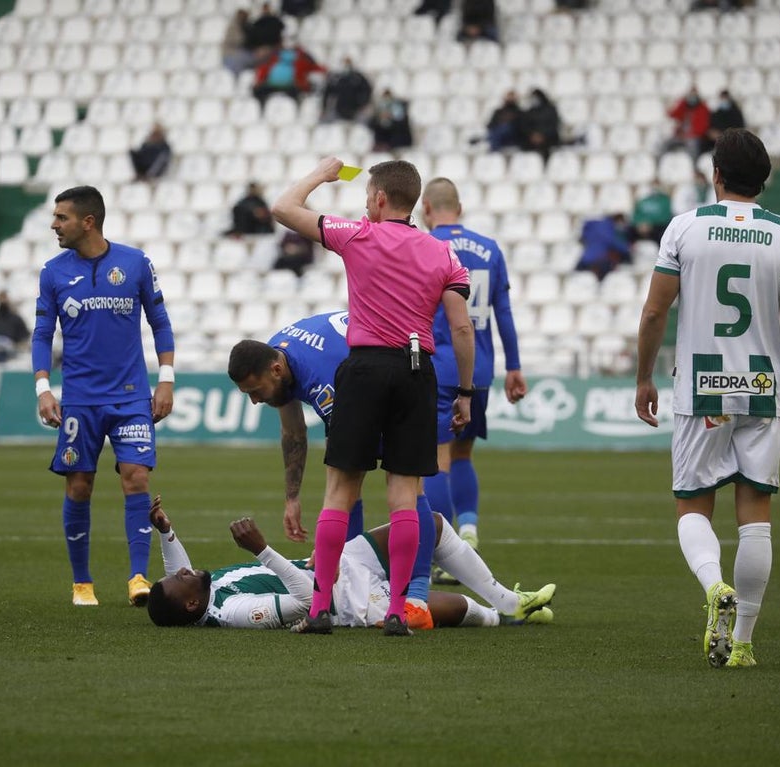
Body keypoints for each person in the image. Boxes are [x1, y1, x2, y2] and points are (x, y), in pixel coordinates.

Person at [635, 128, 780, 670]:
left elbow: (656, 312)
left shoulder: (686, 228)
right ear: (765, 179)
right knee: (756, 516)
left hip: (703, 387)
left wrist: (643, 378)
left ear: (716, 175)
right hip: (763, 387)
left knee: (692, 506)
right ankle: (744, 642)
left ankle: (714, 586)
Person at [227, 313, 553, 629]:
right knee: (411, 507)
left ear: (276, 368)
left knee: (398, 488)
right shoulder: (277, 356)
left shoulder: (321, 380)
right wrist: (292, 498)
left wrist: (336, 553)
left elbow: (346, 474)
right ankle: (508, 604)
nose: (255, 401)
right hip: (393, 366)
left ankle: (416, 600)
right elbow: (293, 432)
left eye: (256, 391)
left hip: (399, 382)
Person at [270, 157, 475, 636]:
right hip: (417, 369)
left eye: (367, 197)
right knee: (405, 496)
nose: (365, 204)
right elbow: (461, 327)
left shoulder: (357, 234)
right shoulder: (442, 254)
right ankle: (399, 610)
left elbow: (283, 206)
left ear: (380, 199)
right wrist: (464, 391)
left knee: (341, 491)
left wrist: (322, 174)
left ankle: (320, 607)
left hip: (363, 368)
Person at [33, 186, 176, 608]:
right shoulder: (53, 271)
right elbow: (42, 334)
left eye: (62, 218)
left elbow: (161, 322)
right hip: (79, 399)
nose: (54, 225)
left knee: (137, 477)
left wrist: (165, 380)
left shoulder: (135, 263)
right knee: (79, 486)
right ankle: (82, 583)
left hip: (131, 396)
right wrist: (44, 388)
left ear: (88, 221)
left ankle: (138, 578)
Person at [146, 496, 555, 629]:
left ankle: (506, 599)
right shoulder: (231, 611)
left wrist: (166, 532)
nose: (182, 571)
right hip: (345, 598)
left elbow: (174, 574)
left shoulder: (201, 588)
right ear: (191, 606)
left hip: (333, 560)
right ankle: (503, 616)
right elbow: (309, 600)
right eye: (178, 580)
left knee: (426, 524)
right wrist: (261, 551)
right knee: (454, 608)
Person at [420, 178, 526, 560]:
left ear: (427, 209)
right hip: (478, 370)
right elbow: (505, 313)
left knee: (435, 457)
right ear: (459, 208)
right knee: (463, 455)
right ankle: (468, 530)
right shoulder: (490, 248)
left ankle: (442, 552)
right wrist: (513, 366)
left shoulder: (427, 245)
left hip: (439, 365)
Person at [251, 42, 325, 107]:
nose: (288, 43)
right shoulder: (273, 55)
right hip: (270, 85)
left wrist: (324, 70)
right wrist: (259, 81)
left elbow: (313, 67)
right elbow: (263, 67)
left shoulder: (302, 56)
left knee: (298, 97)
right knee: (257, 91)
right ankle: (262, 111)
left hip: (294, 86)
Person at [575, 213, 630, 281]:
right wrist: (627, 249)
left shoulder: (595, 225)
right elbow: (613, 241)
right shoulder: (607, 227)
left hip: (585, 258)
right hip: (596, 259)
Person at [663, 87, 710, 162]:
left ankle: (694, 167)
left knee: (693, 147)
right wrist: (682, 101)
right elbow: (672, 114)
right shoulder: (684, 106)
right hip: (680, 135)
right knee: (666, 143)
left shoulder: (703, 109)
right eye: (691, 95)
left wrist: (690, 135)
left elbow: (703, 128)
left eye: (694, 95)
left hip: (693, 136)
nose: (692, 98)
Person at [320, 57, 373, 123]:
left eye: (348, 63)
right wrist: (324, 107)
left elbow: (367, 89)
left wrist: (362, 103)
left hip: (355, 111)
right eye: (345, 63)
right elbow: (327, 92)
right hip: (338, 110)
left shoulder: (357, 77)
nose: (346, 66)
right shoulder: (336, 77)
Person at [517, 88, 560, 162]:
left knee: (546, 148)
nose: (534, 100)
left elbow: (553, 125)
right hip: (531, 138)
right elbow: (525, 126)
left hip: (548, 137)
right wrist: (532, 135)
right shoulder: (529, 112)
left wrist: (542, 135)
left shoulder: (551, 110)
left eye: (536, 97)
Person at [704, 90, 745, 154]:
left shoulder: (736, 113)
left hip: (732, 142)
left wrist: (723, 134)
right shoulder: (716, 113)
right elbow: (711, 129)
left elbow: (740, 128)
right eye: (722, 98)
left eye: (725, 98)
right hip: (717, 142)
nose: (724, 100)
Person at [221, 8, 255, 75]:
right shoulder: (233, 27)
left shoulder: (248, 26)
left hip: (242, 54)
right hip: (231, 55)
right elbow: (236, 40)